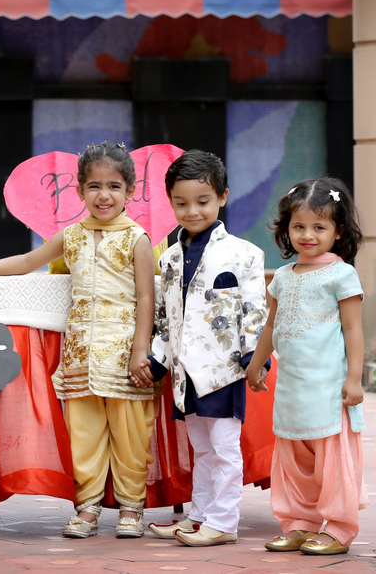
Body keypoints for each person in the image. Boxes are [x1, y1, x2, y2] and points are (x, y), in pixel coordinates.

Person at [0, 141, 156, 539]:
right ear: (79, 192)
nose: (104, 195)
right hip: (79, 354)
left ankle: (131, 509)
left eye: (114, 186)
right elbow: (28, 262)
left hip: (125, 355)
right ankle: (88, 508)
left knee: (131, 435)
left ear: (131, 191)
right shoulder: (72, 236)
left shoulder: (138, 239)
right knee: (84, 433)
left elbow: (147, 296)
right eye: (94, 186)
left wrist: (140, 351)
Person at [139, 151, 268, 546]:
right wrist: (157, 360)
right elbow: (167, 315)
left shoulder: (244, 253)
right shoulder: (171, 256)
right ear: (171, 202)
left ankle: (224, 523)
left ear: (223, 196)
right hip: (184, 373)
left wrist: (253, 360)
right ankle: (199, 516)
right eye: (181, 203)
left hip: (224, 369)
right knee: (201, 448)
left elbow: (254, 310)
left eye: (202, 201)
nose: (192, 211)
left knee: (225, 447)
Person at [246, 178, 367, 556]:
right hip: (292, 389)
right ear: (286, 229)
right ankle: (300, 522)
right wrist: (256, 363)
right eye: (299, 226)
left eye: (319, 227)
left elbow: (352, 329)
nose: (308, 235)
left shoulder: (341, 274)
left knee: (332, 460)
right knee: (294, 458)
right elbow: (271, 324)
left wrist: (354, 379)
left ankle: (340, 528)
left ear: (338, 230)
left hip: (329, 390)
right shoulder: (281, 277)